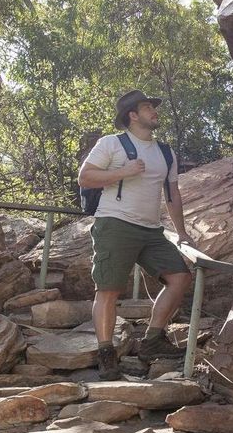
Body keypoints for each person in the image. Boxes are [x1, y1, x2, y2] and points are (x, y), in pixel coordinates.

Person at [77, 89, 197, 381]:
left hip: (152, 229)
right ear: (132, 115)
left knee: (180, 277)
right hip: (114, 223)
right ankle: (107, 353)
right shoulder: (111, 144)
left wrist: (181, 233)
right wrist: (123, 172)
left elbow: (172, 194)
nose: (154, 112)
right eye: (147, 108)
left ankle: (152, 339)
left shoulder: (166, 152)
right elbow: (85, 177)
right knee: (108, 289)